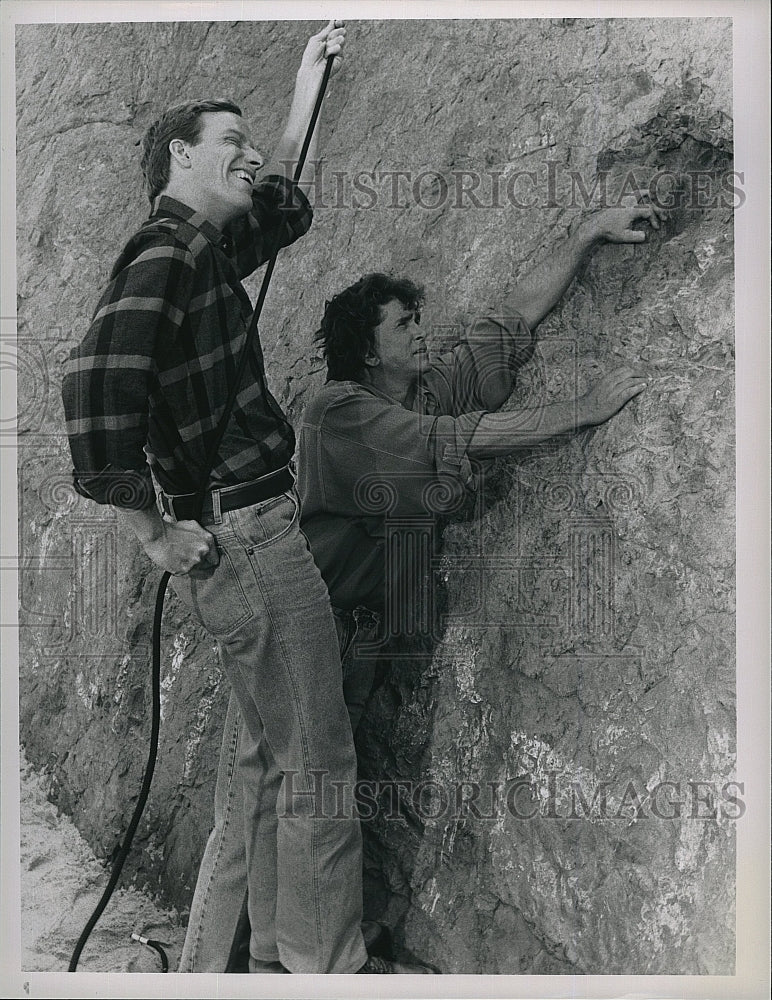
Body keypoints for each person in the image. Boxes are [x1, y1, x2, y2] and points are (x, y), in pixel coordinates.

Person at [184, 198, 666, 971]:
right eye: (404, 325)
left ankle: (275, 956)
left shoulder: (422, 390)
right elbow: (455, 441)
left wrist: (585, 234)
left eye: (418, 320)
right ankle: (220, 968)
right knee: (267, 791)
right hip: (295, 622)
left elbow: (511, 320)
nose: (421, 332)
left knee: (292, 786)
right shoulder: (339, 411)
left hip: (352, 633)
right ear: (369, 351)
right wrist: (582, 411)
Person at [61, 21, 413, 977]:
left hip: (242, 533)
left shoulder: (201, 253)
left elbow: (280, 208)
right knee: (320, 760)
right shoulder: (164, 254)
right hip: (247, 535)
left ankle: (226, 963)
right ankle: (320, 969)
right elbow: (93, 389)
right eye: (231, 144)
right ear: (180, 154)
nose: (249, 157)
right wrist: (152, 534)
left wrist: (304, 96)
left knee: (262, 765)